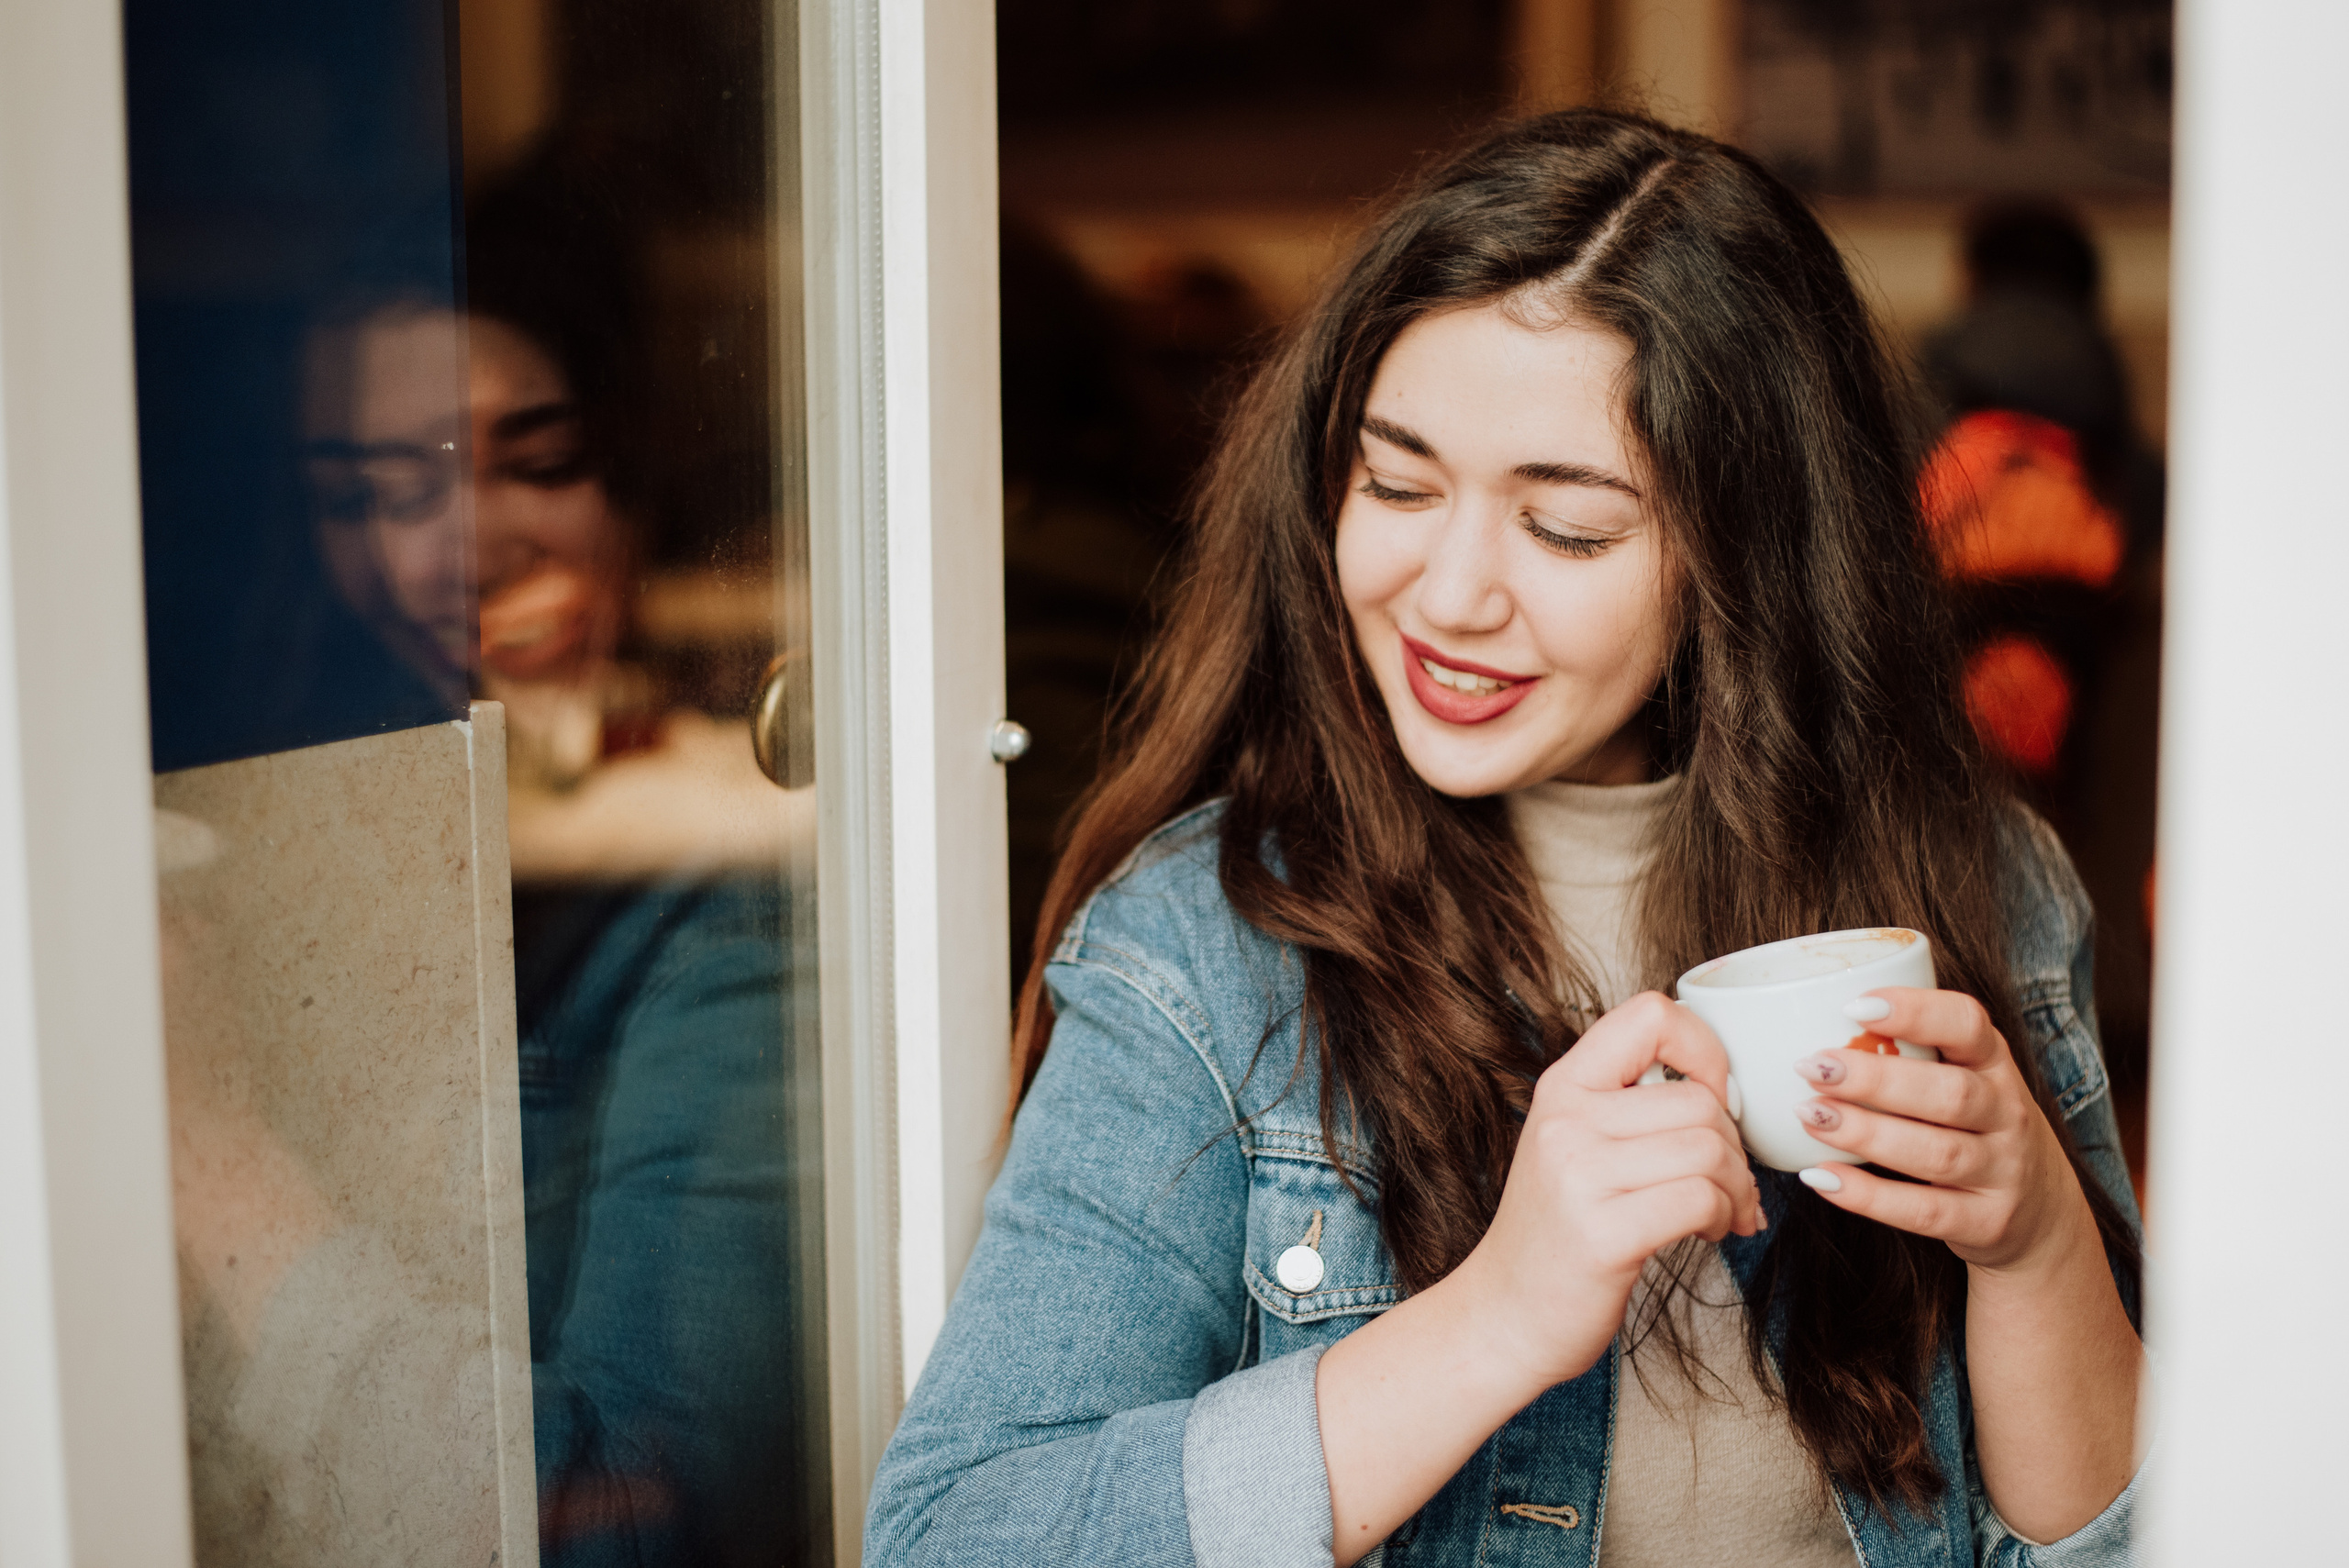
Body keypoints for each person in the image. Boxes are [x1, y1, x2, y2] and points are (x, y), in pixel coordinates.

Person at [865, 110, 2144, 1566]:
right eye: (1396, 484)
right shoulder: (1204, 949)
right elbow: (956, 1534)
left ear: (1752, 552)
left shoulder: (1986, 886)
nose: (1449, 590)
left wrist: (2036, 1243)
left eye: (1571, 528)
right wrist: (1500, 1314)